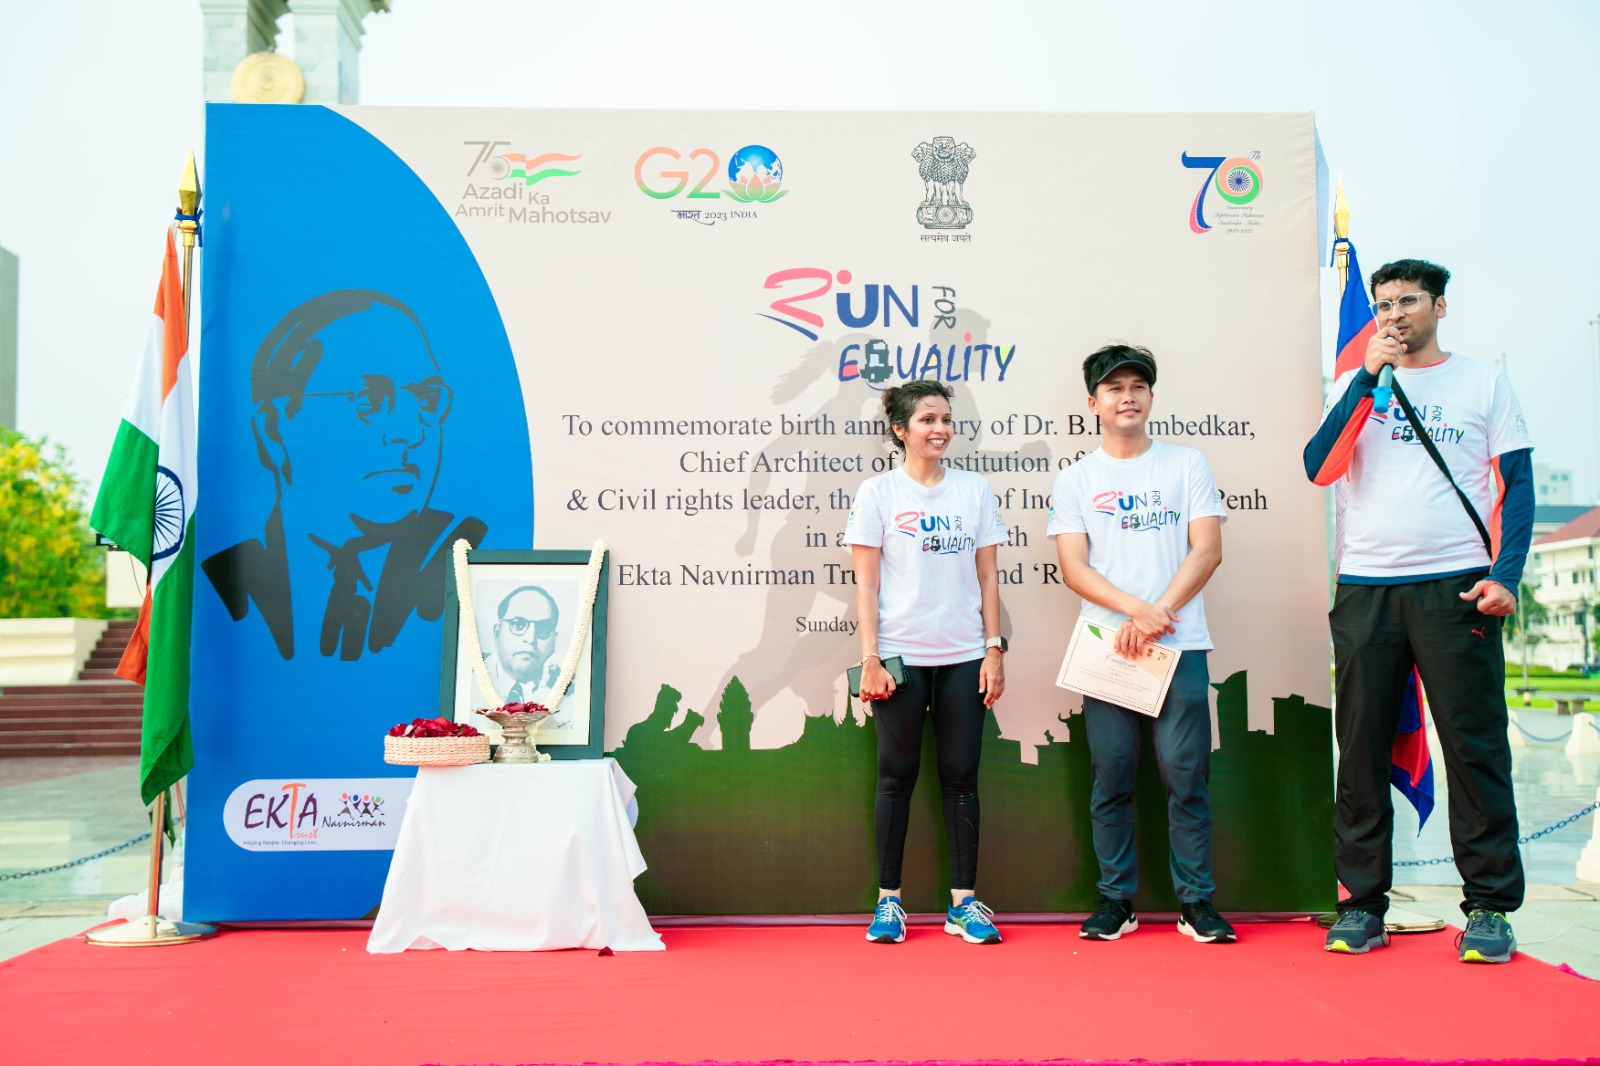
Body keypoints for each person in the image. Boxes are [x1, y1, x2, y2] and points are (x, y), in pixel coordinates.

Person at [1303, 259, 1532, 963]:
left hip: (1456, 587)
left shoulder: (1482, 382)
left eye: (1408, 300)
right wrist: (1367, 379)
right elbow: (1319, 467)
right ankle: (1361, 905)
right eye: (1383, 303)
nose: (1394, 313)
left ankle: (1489, 907)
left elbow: (1516, 485)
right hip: (1367, 587)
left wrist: (1506, 576)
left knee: (1474, 747)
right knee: (1360, 749)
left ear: (1439, 306)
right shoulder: (1357, 381)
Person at [1047, 344, 1236, 944]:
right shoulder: (1076, 478)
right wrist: (1137, 611)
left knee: (1186, 773)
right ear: (1093, 403)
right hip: (1108, 645)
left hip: (1180, 643)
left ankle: (1196, 902)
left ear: (1151, 397)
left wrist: (1158, 617)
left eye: (1137, 386)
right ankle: (1115, 900)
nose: (1127, 397)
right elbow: (1075, 569)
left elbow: (1207, 550)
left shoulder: (1187, 464)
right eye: (1114, 388)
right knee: (1112, 775)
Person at [202, 290, 486, 661]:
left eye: (427, 399)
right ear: (273, 430)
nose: (411, 433)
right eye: (370, 399)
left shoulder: (469, 565)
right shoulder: (222, 584)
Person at [844, 380, 1009, 945]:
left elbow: (988, 576)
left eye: (945, 419)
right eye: (927, 420)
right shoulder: (878, 493)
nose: (940, 429)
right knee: (896, 778)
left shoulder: (974, 490)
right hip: (901, 660)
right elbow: (867, 586)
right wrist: (870, 658)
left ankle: (963, 905)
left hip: (964, 656)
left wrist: (993, 649)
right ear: (900, 430)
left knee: (961, 777)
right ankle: (889, 902)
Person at [484, 584, 562, 705]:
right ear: (497, 633)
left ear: (554, 640)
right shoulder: (467, 676)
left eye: (544, 628)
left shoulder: (569, 689)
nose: (530, 639)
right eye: (518, 624)